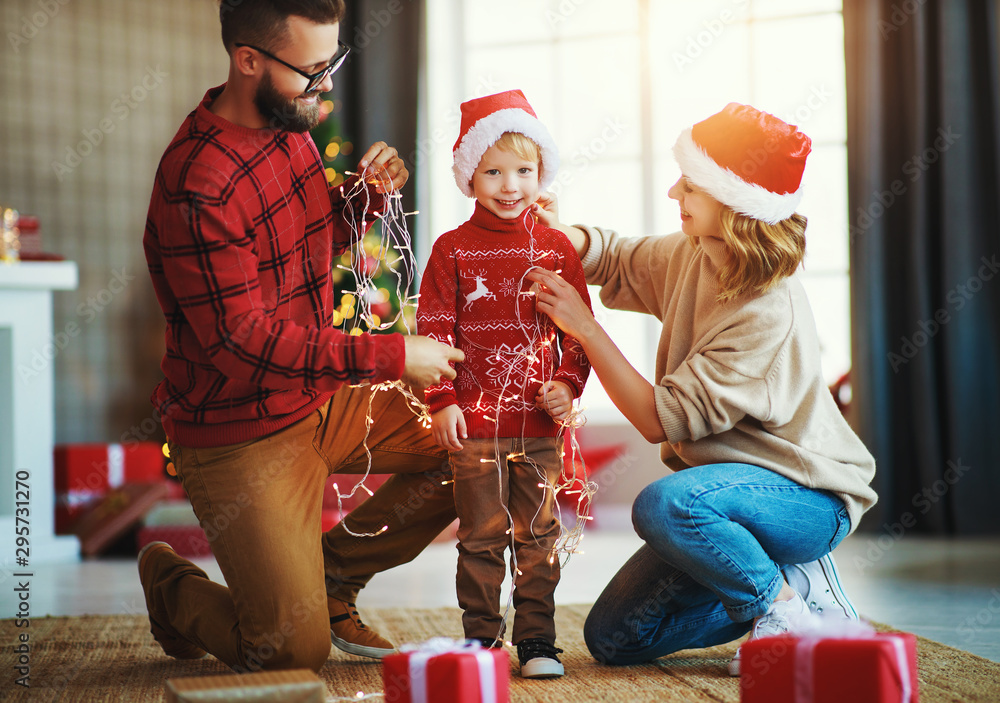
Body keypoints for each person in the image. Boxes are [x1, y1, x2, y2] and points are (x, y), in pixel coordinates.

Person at [138, 0, 464, 674]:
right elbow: (242, 341)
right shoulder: (196, 184)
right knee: (288, 650)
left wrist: (366, 200)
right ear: (247, 60)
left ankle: (333, 581)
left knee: (475, 445)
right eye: (314, 70)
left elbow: (300, 236)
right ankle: (171, 585)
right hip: (239, 428)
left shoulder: (288, 124)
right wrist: (390, 356)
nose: (328, 85)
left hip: (320, 395)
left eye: (332, 63)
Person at [526, 103, 877, 676]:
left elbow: (655, 421)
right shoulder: (698, 253)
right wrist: (561, 235)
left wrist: (585, 329)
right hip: (730, 498)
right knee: (614, 638)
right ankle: (782, 588)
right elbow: (619, 259)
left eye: (689, 184)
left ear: (734, 202)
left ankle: (782, 605)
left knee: (666, 503)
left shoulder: (766, 312)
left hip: (807, 499)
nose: (672, 192)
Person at [416, 89, 592, 679]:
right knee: (482, 538)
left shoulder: (558, 249)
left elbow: (578, 334)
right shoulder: (451, 250)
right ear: (470, 177)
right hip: (475, 430)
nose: (510, 184)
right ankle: (483, 643)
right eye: (492, 171)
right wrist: (441, 401)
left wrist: (567, 385)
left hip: (538, 428)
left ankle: (538, 641)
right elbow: (434, 331)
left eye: (523, 170)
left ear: (542, 172)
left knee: (539, 535)